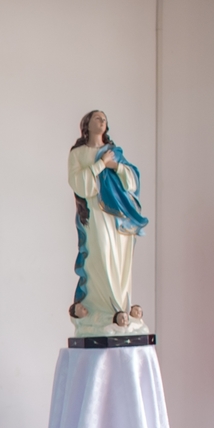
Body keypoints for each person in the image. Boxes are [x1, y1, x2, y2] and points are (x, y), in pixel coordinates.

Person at [67, 110, 149, 336]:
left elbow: (132, 181)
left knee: (120, 261)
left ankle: (120, 307)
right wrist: (100, 164)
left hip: (118, 216)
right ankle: (102, 308)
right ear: (86, 124)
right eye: (97, 118)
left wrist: (116, 166)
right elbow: (80, 183)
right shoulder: (79, 153)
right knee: (100, 255)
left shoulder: (114, 153)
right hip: (96, 214)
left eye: (104, 118)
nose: (102, 121)